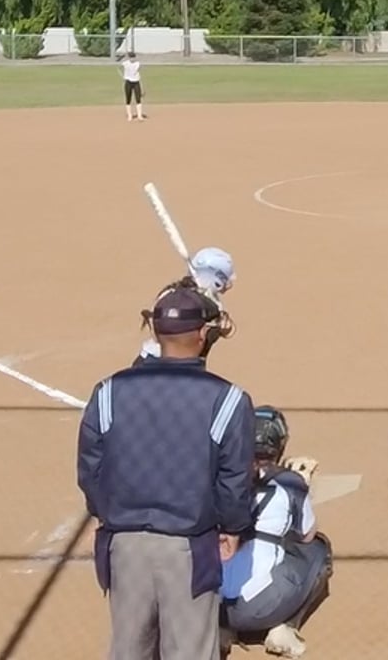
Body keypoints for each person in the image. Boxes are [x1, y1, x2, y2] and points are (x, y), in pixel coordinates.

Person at [78, 282, 257, 660]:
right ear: (203, 334)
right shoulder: (229, 400)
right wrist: (232, 528)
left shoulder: (108, 391)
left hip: (123, 543)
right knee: (190, 650)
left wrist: (105, 513)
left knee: (128, 649)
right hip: (190, 547)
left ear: (156, 332)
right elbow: (234, 480)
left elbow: (90, 467)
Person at [220, 406, 334, 658]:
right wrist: (301, 485)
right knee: (319, 549)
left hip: (211, 603)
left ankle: (221, 630)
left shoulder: (222, 475)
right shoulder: (290, 482)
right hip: (261, 609)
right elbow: (306, 535)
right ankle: (286, 627)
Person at [139, 247, 237, 361]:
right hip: (155, 362)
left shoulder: (212, 301)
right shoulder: (173, 297)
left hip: (188, 363)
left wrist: (222, 328)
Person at [122, 52, 147, 122]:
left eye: (133, 57)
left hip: (136, 82)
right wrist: (123, 76)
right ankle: (130, 115)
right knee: (128, 98)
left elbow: (139, 73)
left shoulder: (137, 64)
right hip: (128, 82)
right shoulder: (125, 63)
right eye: (131, 57)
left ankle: (139, 115)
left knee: (138, 98)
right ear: (129, 58)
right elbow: (119, 67)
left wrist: (142, 87)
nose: (132, 59)